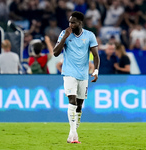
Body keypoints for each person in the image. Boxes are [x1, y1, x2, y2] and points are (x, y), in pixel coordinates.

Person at [53, 11, 100, 143]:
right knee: (72, 101)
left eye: (73, 22)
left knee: (79, 105)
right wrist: (64, 37)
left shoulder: (89, 35)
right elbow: (56, 53)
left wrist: (96, 70)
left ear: (80, 22)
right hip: (69, 73)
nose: (70, 24)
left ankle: (73, 133)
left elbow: (96, 55)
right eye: (69, 22)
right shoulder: (64, 33)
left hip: (83, 75)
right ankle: (73, 134)